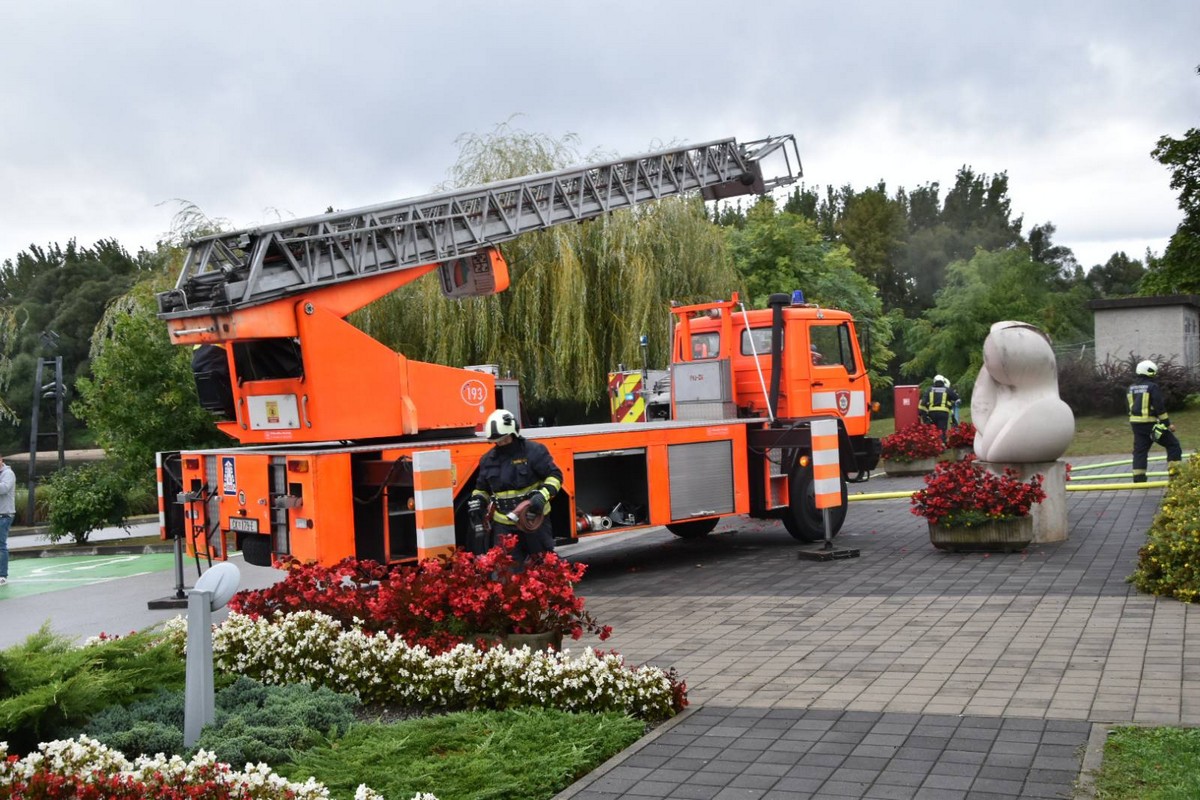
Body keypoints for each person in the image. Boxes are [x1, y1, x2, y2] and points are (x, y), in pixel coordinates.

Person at [468, 409, 564, 562]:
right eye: (497, 441)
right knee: (506, 571)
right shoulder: (488, 460)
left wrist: (542, 496)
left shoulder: (533, 451)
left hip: (532, 519)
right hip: (504, 524)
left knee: (545, 565)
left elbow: (555, 476)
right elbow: (481, 489)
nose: (501, 443)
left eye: (505, 439)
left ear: (513, 433)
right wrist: (478, 501)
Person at [1127, 360, 1183, 482]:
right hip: (1150, 425)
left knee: (1140, 451)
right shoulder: (1152, 387)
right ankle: (1176, 476)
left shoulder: (1130, 388)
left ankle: (1139, 478)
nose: (1155, 375)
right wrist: (1167, 424)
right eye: (1153, 372)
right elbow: (1159, 407)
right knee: (1173, 445)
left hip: (1136, 425)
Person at [918, 374, 960, 441]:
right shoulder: (947, 390)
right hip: (943, 414)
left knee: (933, 430)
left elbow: (923, 403)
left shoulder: (929, 389)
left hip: (932, 414)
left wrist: (924, 417)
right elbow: (957, 399)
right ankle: (942, 444)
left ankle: (935, 445)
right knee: (942, 430)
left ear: (934, 381)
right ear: (943, 381)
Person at [0, 453, 14, 586]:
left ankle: (2, 575)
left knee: (1, 545)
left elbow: (4, 488)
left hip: (4, 515)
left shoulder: (8, 473)